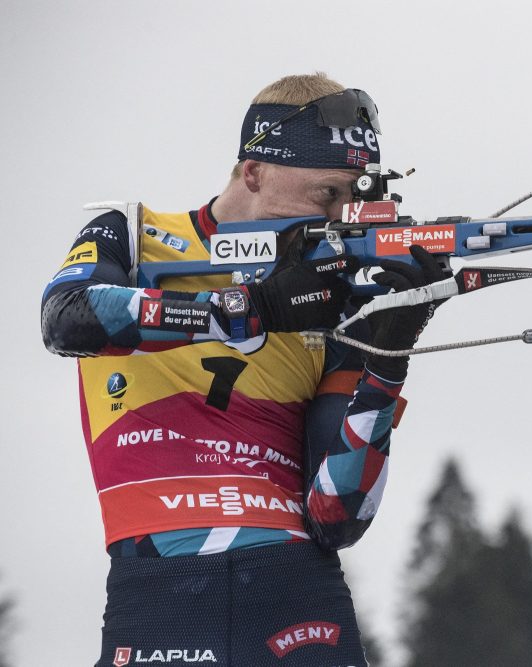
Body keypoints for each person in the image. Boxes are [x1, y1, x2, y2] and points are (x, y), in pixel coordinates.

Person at [40, 73, 444, 666]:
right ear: (252, 173)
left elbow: (338, 515)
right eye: (325, 195)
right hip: (157, 586)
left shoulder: (335, 299)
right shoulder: (133, 235)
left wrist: (388, 358)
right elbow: (67, 319)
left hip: (295, 587)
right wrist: (249, 310)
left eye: (351, 197)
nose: (338, 215)